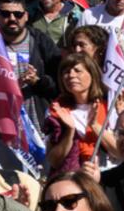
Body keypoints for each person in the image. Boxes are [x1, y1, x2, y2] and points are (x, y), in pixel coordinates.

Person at [42, 46, 113, 179]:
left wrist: (95, 126)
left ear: (92, 75)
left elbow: (118, 151)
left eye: (77, 71)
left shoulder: (109, 107)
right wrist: (70, 131)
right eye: (66, 72)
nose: (71, 75)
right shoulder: (56, 110)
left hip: (107, 177)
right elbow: (53, 161)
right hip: (71, 180)